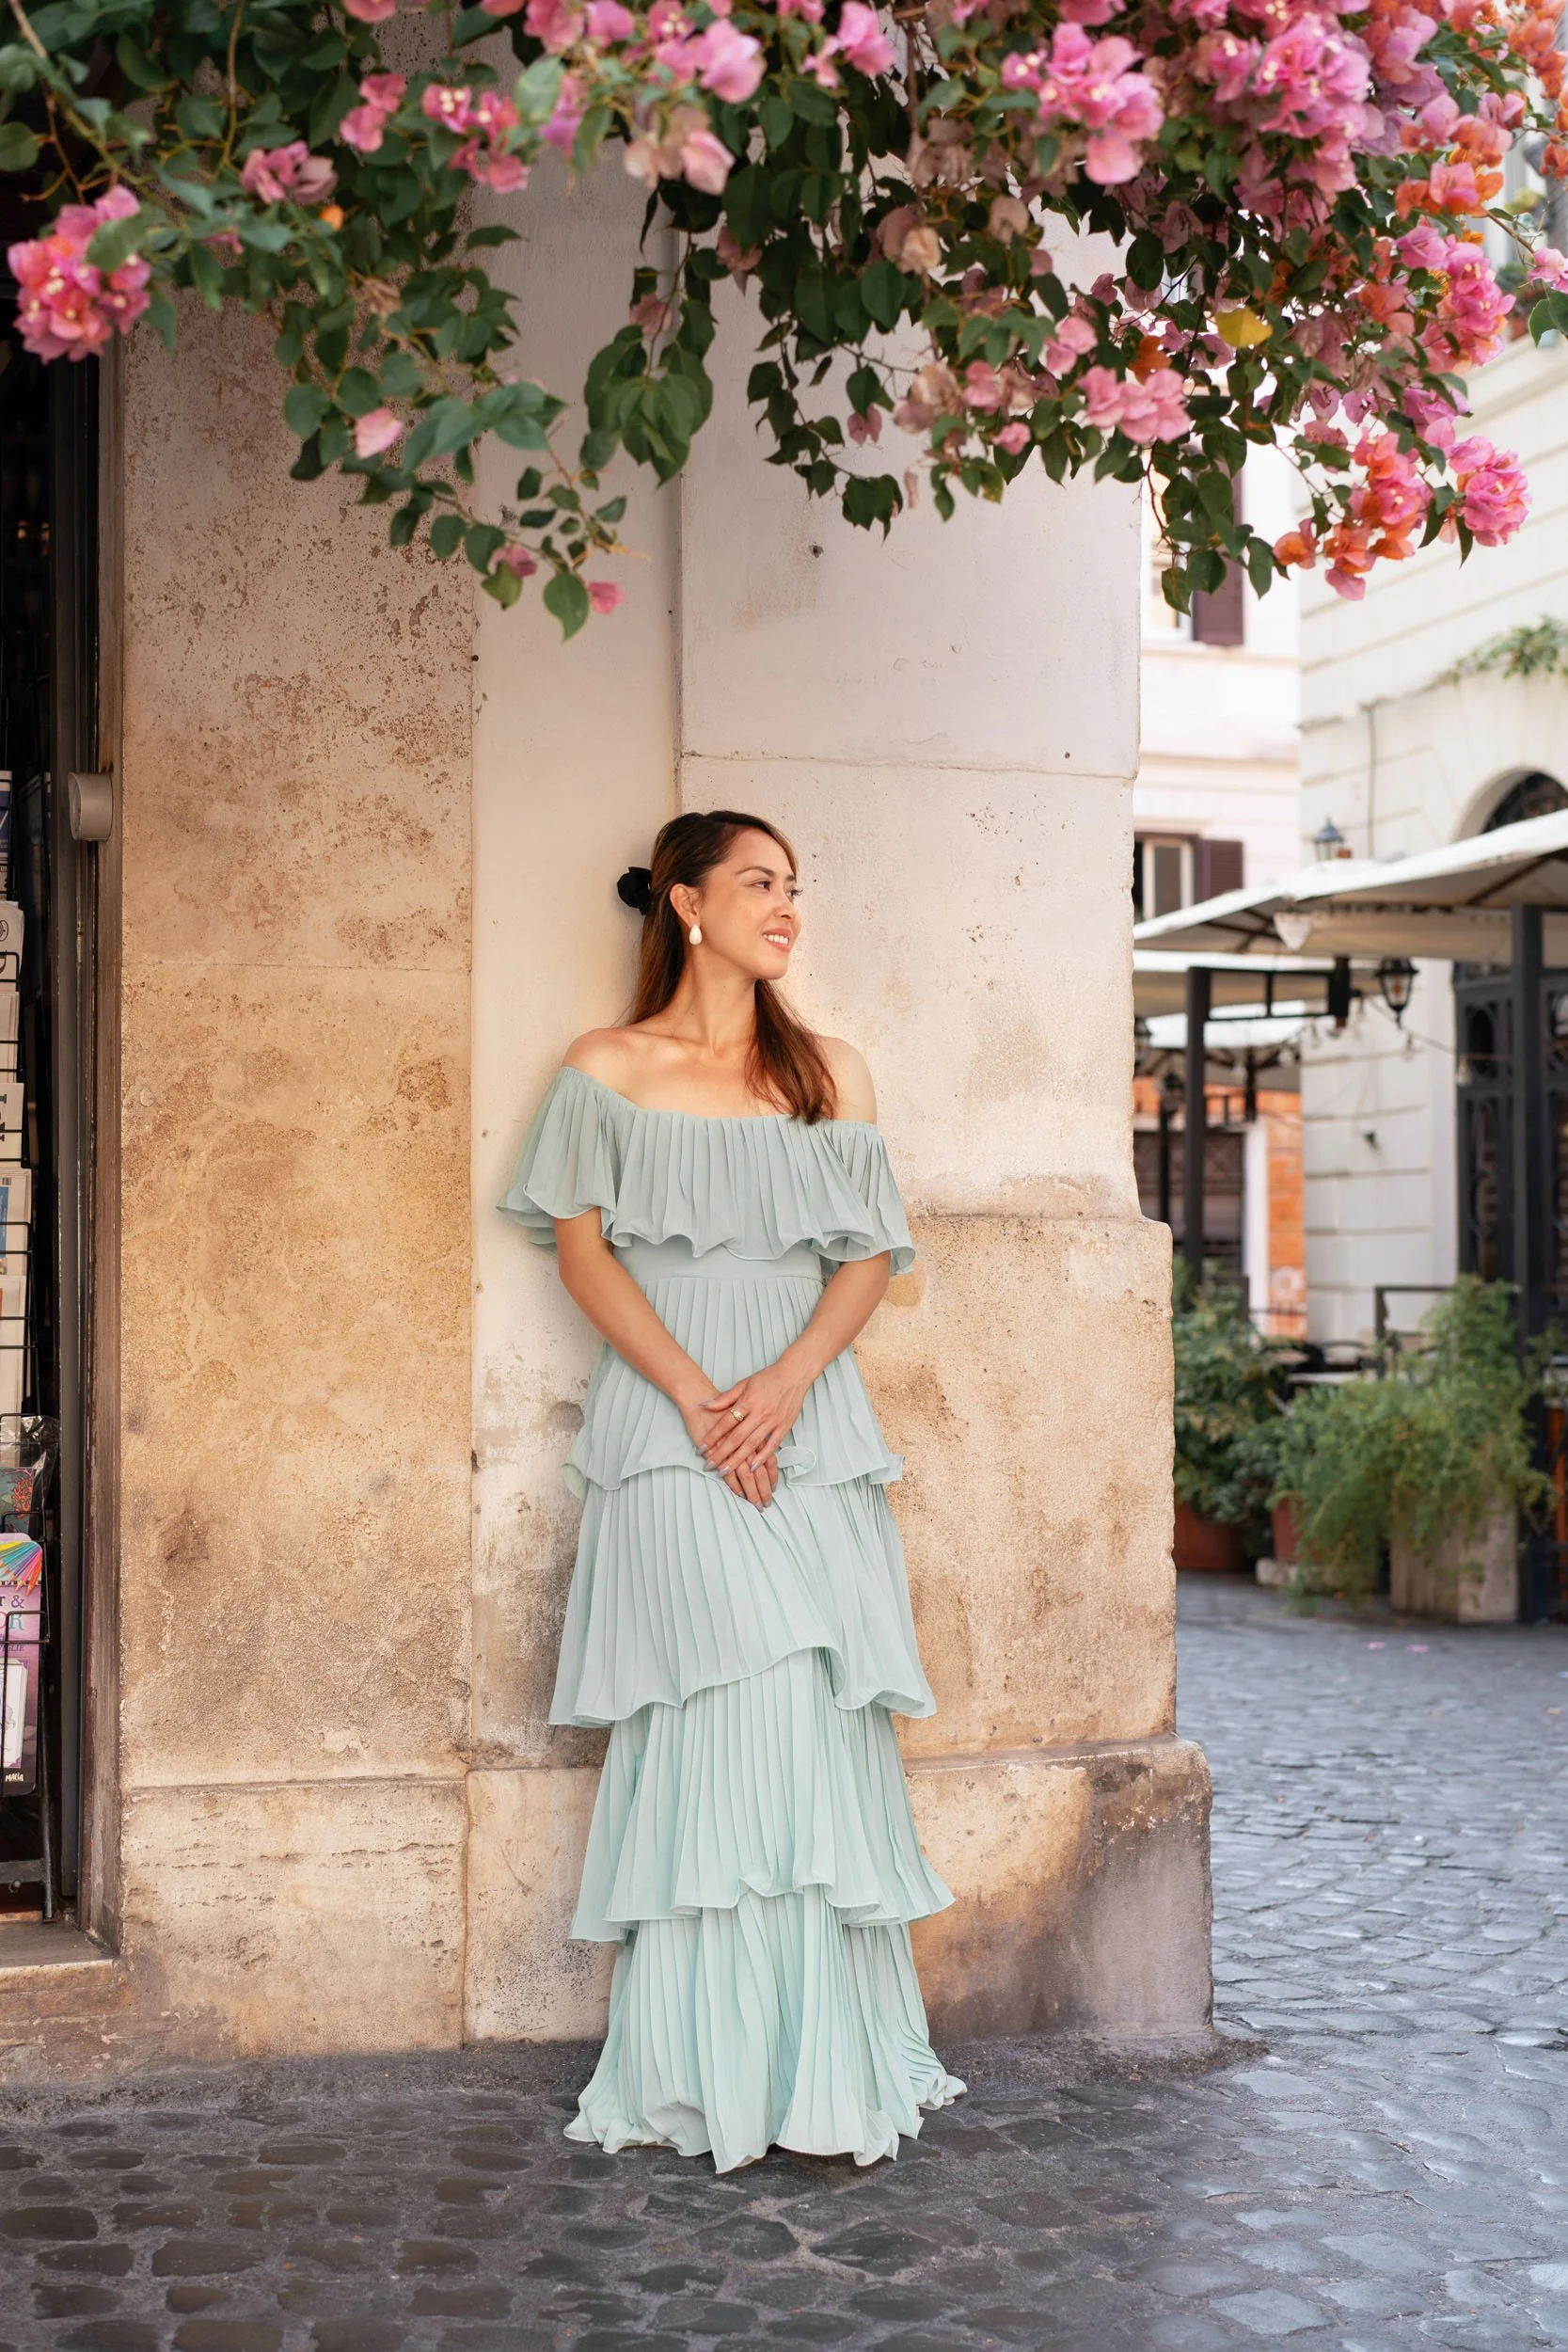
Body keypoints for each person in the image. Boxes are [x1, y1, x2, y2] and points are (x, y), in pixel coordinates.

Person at [500, 807, 964, 2173]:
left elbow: (867, 1259)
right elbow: (583, 1261)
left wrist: (780, 1388)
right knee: (715, 1711)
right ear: (686, 905)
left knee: (814, 1715)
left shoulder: (827, 1073)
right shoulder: (606, 1067)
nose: (786, 908)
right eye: (759, 884)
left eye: (795, 887)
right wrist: (704, 1397)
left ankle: (821, 2058)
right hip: (663, 1426)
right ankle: (704, 2065)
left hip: (808, 1423)